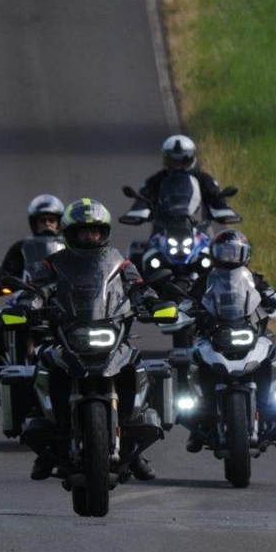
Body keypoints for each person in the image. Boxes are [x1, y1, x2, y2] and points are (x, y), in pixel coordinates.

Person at [22, 198, 163, 481]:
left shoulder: (118, 261)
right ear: (70, 233)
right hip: (68, 333)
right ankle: (44, 451)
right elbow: (36, 288)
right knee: (41, 367)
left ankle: (136, 453)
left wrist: (150, 300)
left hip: (109, 328)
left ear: (104, 232)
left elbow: (137, 285)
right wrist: (29, 303)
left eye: (95, 231)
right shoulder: (54, 263)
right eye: (83, 231)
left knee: (140, 365)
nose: (90, 236)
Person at [184, 229, 276, 452]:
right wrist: (182, 310)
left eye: (234, 252)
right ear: (215, 254)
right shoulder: (204, 281)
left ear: (245, 254)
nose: (230, 257)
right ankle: (196, 424)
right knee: (190, 359)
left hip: (251, 334)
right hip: (214, 336)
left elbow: (273, 295)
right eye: (225, 252)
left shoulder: (254, 280)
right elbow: (187, 301)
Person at [119, 134, 240, 228]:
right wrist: (138, 211)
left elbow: (216, 196)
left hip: (198, 230)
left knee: (222, 251)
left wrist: (223, 209)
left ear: (192, 158)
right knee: (136, 253)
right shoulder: (156, 180)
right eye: (174, 160)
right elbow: (143, 198)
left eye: (183, 159)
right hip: (162, 232)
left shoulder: (204, 179)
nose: (178, 164)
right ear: (166, 159)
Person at [0, 193, 65, 278]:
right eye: (42, 220)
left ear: (58, 223)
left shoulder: (69, 246)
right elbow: (6, 273)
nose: (47, 223)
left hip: (65, 290)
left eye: (52, 220)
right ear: (34, 223)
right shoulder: (20, 247)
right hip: (29, 290)